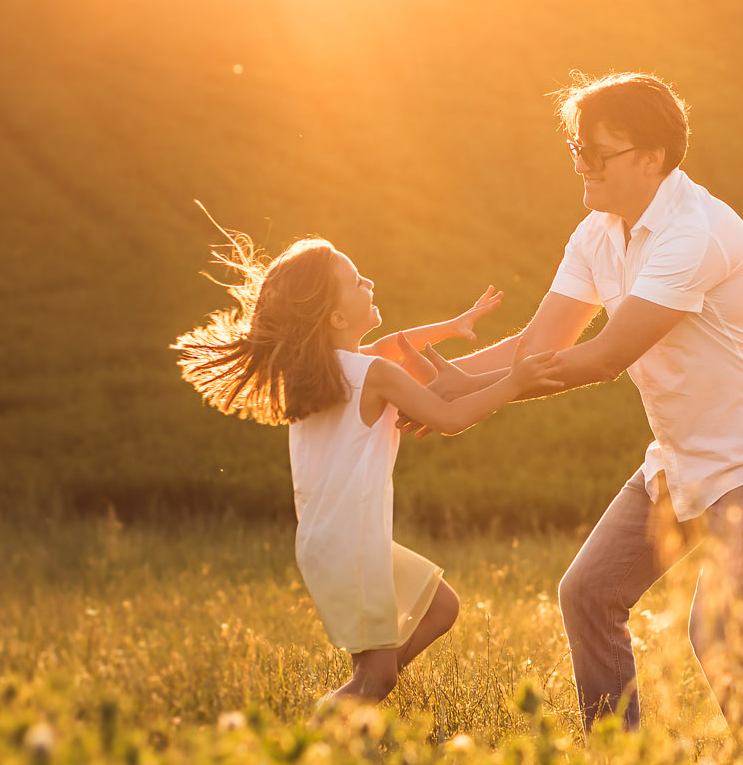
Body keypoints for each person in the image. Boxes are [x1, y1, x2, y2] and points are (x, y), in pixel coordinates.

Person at [427, 72, 743, 741]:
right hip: (680, 458)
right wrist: (433, 390)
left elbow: (605, 355)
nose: (582, 163)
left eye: (597, 152)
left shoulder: (694, 231)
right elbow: (538, 343)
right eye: (576, 147)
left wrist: (466, 397)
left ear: (651, 157)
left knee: (720, 634)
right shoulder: (597, 234)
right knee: (588, 594)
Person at [173, 225, 562, 705]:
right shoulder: (371, 375)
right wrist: (515, 381)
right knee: (375, 677)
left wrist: (452, 326)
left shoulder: (326, 373)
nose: (370, 284)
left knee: (440, 608)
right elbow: (450, 417)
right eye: (357, 282)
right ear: (337, 316)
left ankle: (359, 697)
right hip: (352, 546)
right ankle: (329, 730)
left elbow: (396, 343)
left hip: (335, 542)